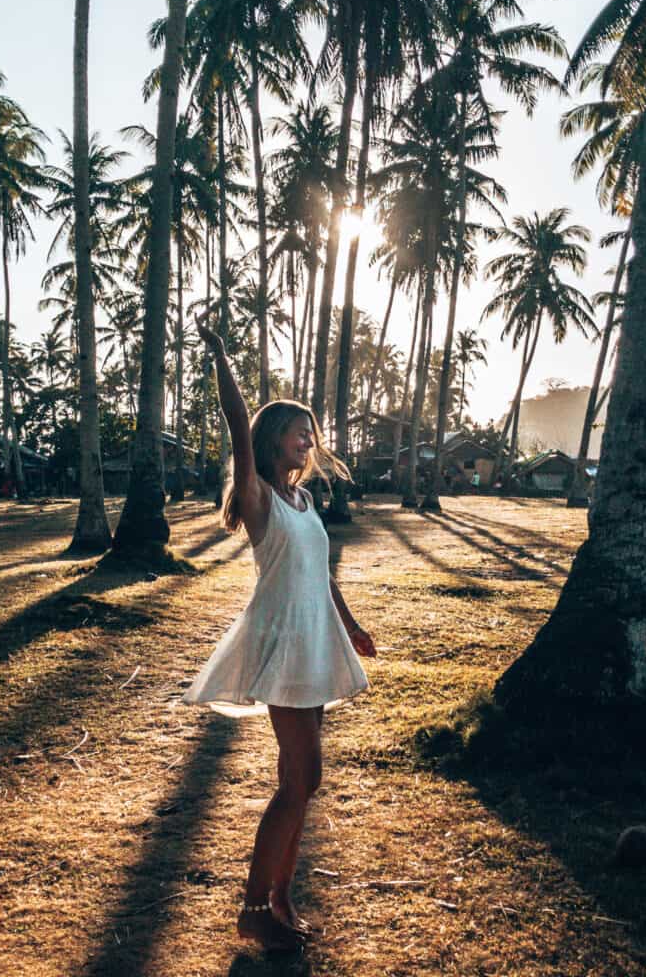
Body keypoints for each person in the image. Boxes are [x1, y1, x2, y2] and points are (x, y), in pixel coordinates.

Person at [182, 313, 377, 953]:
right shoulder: (259, 496)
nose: (308, 442)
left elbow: (321, 576)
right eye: (298, 433)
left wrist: (350, 628)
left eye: (310, 435)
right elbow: (239, 425)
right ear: (271, 442)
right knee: (299, 780)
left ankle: (281, 893)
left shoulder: (306, 503)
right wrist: (219, 354)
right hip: (284, 648)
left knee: (304, 779)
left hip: (316, 642)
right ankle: (251, 907)